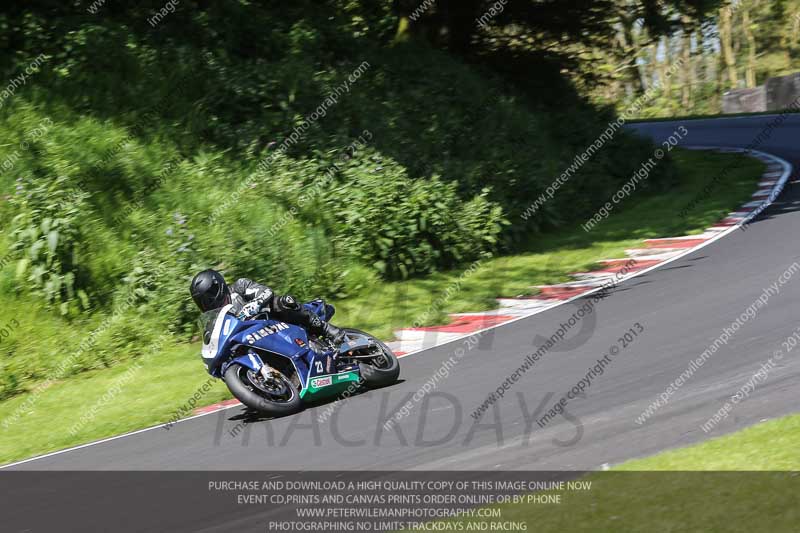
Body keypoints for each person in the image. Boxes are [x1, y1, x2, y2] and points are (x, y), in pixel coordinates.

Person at [189, 269, 344, 345]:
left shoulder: (239, 286)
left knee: (283, 302)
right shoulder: (216, 319)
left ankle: (325, 328)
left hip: (275, 322)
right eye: (202, 301)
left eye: (208, 297)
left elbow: (266, 292)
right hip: (253, 339)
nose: (207, 303)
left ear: (218, 287)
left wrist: (254, 304)